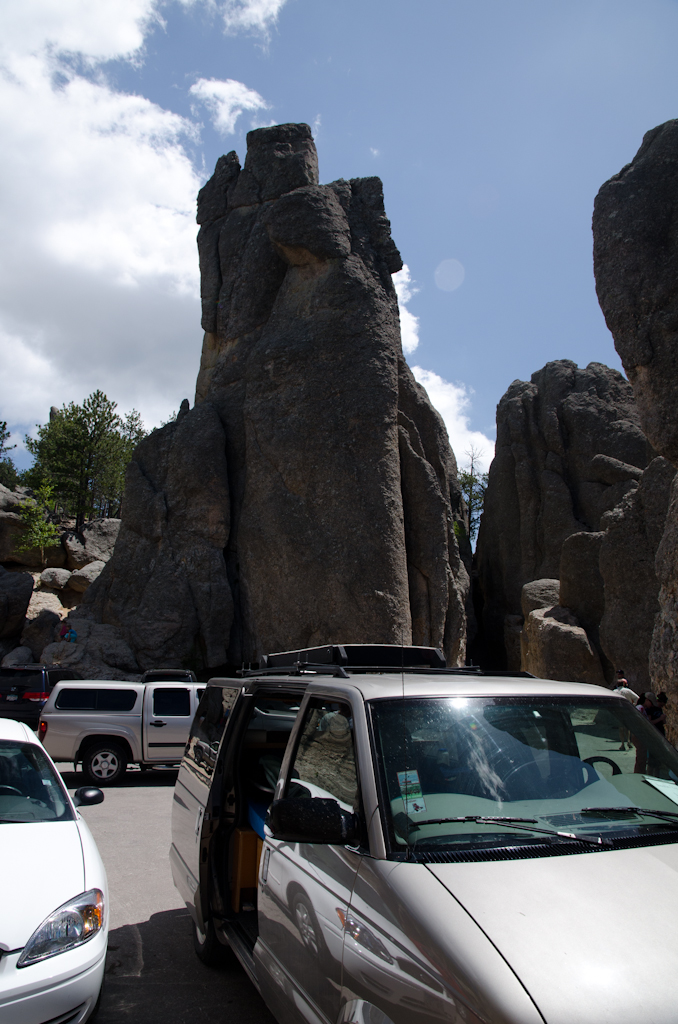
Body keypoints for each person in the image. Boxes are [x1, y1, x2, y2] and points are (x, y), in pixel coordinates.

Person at [614, 671, 639, 749]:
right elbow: (637, 698)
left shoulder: (614, 692)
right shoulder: (627, 691)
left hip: (618, 712)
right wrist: (633, 706)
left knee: (621, 728)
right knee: (627, 728)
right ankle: (628, 741)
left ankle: (622, 744)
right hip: (627, 711)